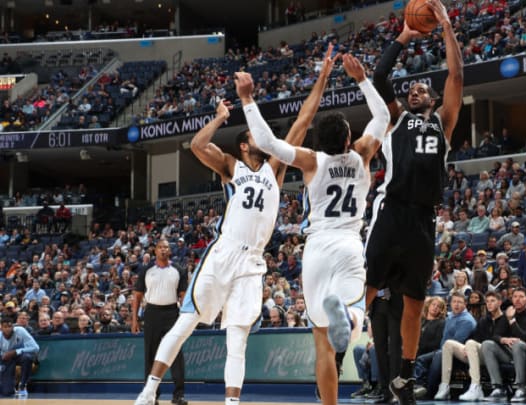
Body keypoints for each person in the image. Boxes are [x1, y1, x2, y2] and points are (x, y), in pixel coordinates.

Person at [134, 46, 338, 405]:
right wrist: (219, 117)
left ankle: (231, 402)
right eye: (256, 137)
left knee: (238, 338)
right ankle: (149, 391)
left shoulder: (276, 167)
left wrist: (322, 77)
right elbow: (197, 144)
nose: (264, 138)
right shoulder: (231, 165)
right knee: (185, 324)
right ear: (245, 145)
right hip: (223, 251)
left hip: (253, 261)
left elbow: (303, 121)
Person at [238, 49, 390, 405]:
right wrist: (362, 79)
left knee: (321, 340)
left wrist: (247, 99)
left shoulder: (311, 161)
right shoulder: (363, 153)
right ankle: (350, 317)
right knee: (354, 311)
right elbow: (382, 115)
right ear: (348, 138)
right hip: (350, 242)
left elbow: (269, 143)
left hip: (317, 248)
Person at [366, 0, 464, 403]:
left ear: (433, 97)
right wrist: (405, 35)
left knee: (414, 303)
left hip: (424, 221)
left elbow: (457, 73)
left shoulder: (444, 120)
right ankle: (340, 341)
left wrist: (444, 25)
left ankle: (404, 374)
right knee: (368, 288)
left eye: (422, 88)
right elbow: (380, 75)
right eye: (412, 89)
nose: (414, 90)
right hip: (392, 212)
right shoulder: (395, 119)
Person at [132, 239, 188, 405]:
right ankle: (151, 395)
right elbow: (137, 296)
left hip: (172, 313)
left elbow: (184, 296)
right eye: (160, 247)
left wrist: (184, 317)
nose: (164, 249)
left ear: (169, 251)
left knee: (176, 353)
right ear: (155, 250)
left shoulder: (178, 269)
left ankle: (178, 395)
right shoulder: (146, 270)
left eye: (166, 247)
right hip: (152, 313)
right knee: (150, 354)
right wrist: (134, 319)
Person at [434, 291, 505, 401]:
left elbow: (498, 339)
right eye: (487, 302)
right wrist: (468, 347)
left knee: (471, 343)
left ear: (500, 302)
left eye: (492, 301)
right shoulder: (484, 320)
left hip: (496, 354)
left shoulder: (506, 318)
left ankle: (476, 386)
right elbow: (476, 337)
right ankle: (444, 386)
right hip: (478, 353)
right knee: (448, 344)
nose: (489, 304)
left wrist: (470, 345)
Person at [481, 287, 526, 402]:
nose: (517, 300)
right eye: (515, 297)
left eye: (521, 297)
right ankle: (498, 387)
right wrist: (504, 339)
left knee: (517, 344)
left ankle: (520, 388)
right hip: (509, 353)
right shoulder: (509, 311)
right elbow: (495, 335)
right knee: (487, 344)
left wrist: (511, 320)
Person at [0, 316, 39, 398]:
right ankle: (11, 386)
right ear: (1, 328)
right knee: (7, 392)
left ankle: (22, 385)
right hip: (6, 359)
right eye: (5, 327)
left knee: (27, 357)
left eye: (10, 326)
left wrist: (15, 351)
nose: (8, 329)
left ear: (13, 326)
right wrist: (3, 355)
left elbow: (35, 347)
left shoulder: (20, 331)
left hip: (19, 356)